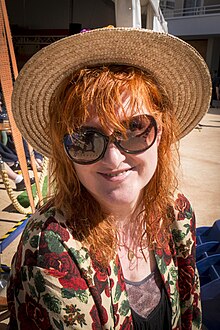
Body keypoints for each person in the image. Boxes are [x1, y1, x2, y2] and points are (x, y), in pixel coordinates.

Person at [7, 27, 211, 329]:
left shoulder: (177, 213)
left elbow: (190, 312)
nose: (113, 159)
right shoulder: (50, 248)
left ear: (162, 131)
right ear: (66, 151)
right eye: (86, 138)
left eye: (134, 128)